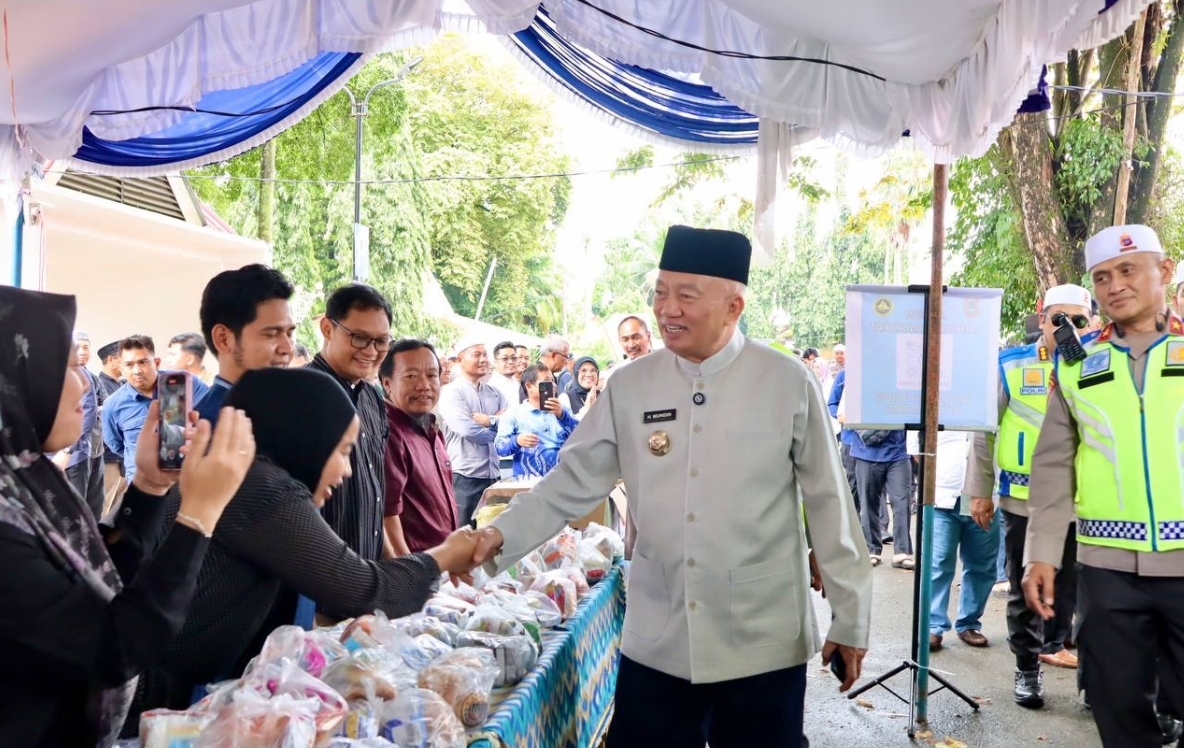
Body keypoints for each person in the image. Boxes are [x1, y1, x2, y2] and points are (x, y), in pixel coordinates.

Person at [471, 225, 872, 748]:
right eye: (661, 293)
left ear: (733, 306)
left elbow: (829, 502)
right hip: (658, 635)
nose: (668, 309)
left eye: (687, 295)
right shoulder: (630, 385)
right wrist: (494, 539)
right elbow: (570, 481)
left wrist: (851, 617)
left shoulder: (787, 380)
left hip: (762, 636)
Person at [124, 368, 479, 730]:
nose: (347, 471)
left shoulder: (250, 473)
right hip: (148, 702)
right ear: (308, 438)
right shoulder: (261, 487)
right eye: (343, 451)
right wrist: (446, 555)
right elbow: (366, 590)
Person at [0, 287, 256, 748]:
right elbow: (111, 646)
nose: (86, 385)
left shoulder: (28, 478)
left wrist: (150, 488)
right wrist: (199, 514)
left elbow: (99, 583)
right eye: (66, 367)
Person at [1024, 224, 1184, 748]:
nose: (1114, 285)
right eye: (1102, 277)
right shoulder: (1076, 365)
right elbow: (1053, 465)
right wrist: (1041, 554)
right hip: (1107, 572)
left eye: (1127, 270)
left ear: (1164, 271)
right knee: (1117, 707)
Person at [970, 284, 1091, 708]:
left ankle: (1093, 680)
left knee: (1082, 593)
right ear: (1041, 319)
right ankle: (1027, 667)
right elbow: (985, 432)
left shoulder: (1100, 364)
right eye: (1059, 318)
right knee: (1027, 591)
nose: (1068, 327)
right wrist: (979, 490)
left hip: (1086, 503)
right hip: (1024, 500)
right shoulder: (1011, 364)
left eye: (1079, 320)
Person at [310, 284, 391, 562]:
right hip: (322, 574)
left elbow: (374, 493)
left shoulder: (372, 397)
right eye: (359, 338)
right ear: (327, 328)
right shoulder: (299, 396)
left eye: (381, 341)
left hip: (369, 571)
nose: (371, 351)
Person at [916, 430, 999, 651]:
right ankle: (933, 626)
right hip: (942, 495)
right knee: (938, 562)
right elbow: (917, 450)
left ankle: (969, 623)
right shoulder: (932, 407)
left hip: (984, 497)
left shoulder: (991, 408)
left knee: (982, 564)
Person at [379, 339, 458, 555]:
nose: (424, 385)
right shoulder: (389, 434)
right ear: (387, 384)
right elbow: (387, 515)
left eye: (432, 375)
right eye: (411, 376)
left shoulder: (431, 428)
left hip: (443, 561)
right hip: (418, 565)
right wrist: (409, 571)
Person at [195, 264, 296, 426]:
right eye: (271, 334)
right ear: (223, 339)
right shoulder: (211, 429)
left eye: (289, 334)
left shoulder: (276, 410)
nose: (288, 349)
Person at [438, 338, 506, 527]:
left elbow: (512, 424)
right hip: (465, 476)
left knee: (495, 535)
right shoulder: (451, 393)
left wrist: (489, 421)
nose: (483, 359)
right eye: (477, 355)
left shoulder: (495, 392)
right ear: (459, 360)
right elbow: (468, 430)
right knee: (465, 532)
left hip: (494, 474)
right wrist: (497, 428)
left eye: (485, 354)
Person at [495, 363, 579, 479]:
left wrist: (563, 416)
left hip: (562, 481)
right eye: (547, 382)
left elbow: (580, 436)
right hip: (527, 484)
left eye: (553, 381)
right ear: (529, 386)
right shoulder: (513, 414)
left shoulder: (562, 410)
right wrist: (517, 441)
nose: (553, 385)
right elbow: (499, 448)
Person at [559, 355, 600, 420]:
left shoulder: (603, 395)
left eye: (593, 370)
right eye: (583, 370)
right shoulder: (565, 398)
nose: (589, 374)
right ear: (576, 374)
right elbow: (566, 424)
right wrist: (586, 408)